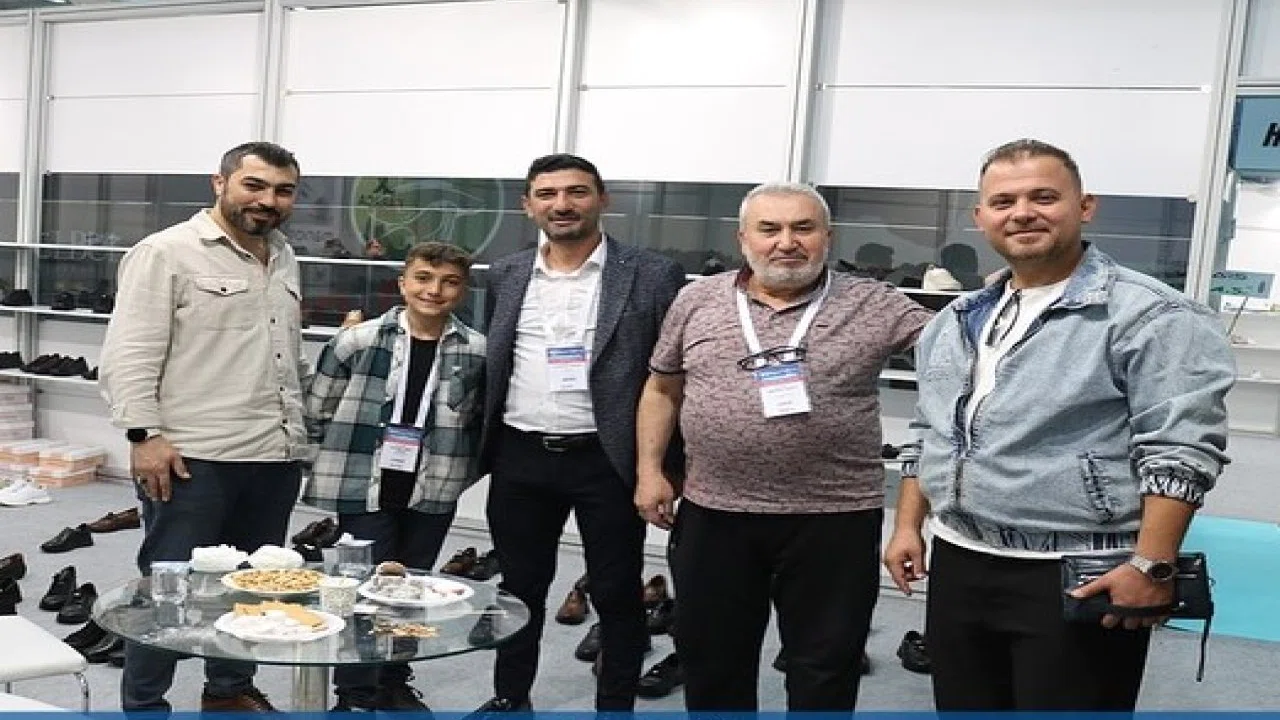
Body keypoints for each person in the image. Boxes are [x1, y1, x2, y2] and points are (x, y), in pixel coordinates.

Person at [884, 138, 1235, 711]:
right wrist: (907, 526)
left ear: (1084, 206)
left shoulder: (1151, 314)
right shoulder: (957, 318)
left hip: (1079, 568)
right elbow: (930, 429)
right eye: (1004, 202)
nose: (1022, 213)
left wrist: (1152, 563)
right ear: (981, 217)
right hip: (960, 558)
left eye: (1043, 197)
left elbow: (1181, 449)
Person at [635, 182, 932, 711]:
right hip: (715, 513)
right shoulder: (696, 299)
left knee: (825, 669)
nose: (786, 242)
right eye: (769, 229)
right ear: (743, 238)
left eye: (803, 228)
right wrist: (649, 470)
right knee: (713, 664)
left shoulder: (875, 302)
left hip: (835, 519)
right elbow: (662, 389)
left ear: (827, 237)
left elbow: (961, 349)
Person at [99, 141, 308, 713]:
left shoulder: (284, 255)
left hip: (273, 453)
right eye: (254, 185)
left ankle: (229, 690)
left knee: (256, 583)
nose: (268, 200)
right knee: (169, 588)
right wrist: (143, 435)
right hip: (193, 458)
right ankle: (145, 706)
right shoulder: (165, 252)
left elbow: (284, 355)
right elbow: (129, 354)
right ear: (220, 183)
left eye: (283, 190)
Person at [475, 153, 686, 712]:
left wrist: (663, 467)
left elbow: (673, 375)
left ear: (602, 199)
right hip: (521, 456)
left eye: (576, 192)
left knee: (616, 593)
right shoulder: (507, 273)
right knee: (518, 591)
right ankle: (509, 701)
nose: (562, 204)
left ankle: (613, 707)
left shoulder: (651, 273)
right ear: (527, 205)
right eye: (547, 194)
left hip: (607, 459)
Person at [302, 241, 486, 711]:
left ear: (463, 290)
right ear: (403, 283)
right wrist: (324, 464)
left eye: (449, 282)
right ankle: (355, 693)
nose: (434, 290)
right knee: (365, 590)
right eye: (423, 278)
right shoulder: (357, 341)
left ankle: (393, 680)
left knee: (412, 589)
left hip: (432, 487)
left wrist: (457, 475)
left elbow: (476, 425)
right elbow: (317, 408)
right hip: (364, 484)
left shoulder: (476, 351)